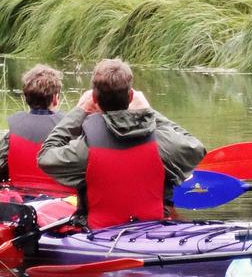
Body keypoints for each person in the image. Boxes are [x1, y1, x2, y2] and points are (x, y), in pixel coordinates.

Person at [38, 58, 206, 229]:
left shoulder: (85, 148)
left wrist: (79, 111)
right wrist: (149, 111)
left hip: (98, 234)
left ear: (94, 98)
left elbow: (45, 157)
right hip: (153, 230)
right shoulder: (162, 142)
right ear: (131, 96)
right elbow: (196, 147)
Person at [0, 64, 74, 195]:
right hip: (60, 204)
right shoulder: (71, 129)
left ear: (26, 98)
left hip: (20, 201)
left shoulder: (12, 133)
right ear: (55, 98)